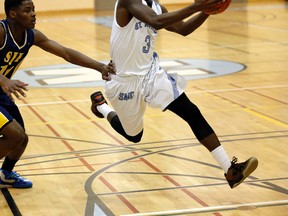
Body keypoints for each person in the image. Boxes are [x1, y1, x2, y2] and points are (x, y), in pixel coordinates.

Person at [90, 0, 258, 189]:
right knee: (134, 137)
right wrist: (198, 6)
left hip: (150, 74)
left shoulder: (157, 6)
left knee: (191, 112)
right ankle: (101, 107)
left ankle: (230, 170)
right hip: (123, 81)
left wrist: (208, 10)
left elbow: (183, 29)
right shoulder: (128, 1)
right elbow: (155, 21)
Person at [0, 0, 115, 188]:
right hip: (2, 86)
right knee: (15, 135)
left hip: (1, 92)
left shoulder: (32, 36)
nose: (33, 14)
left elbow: (66, 53)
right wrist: (4, 80)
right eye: (27, 10)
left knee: (21, 140)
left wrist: (100, 66)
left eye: (34, 9)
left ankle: (5, 174)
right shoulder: (2, 31)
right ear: (13, 14)